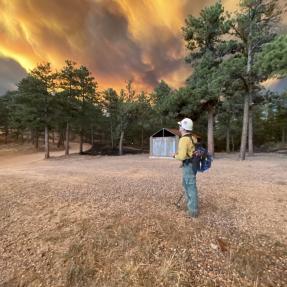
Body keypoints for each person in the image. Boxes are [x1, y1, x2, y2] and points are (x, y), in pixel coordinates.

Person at [173, 118, 199, 217]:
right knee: (188, 185)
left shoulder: (184, 139)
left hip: (189, 166)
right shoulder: (193, 137)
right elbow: (191, 153)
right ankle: (190, 206)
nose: (179, 128)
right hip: (192, 165)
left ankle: (192, 212)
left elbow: (182, 156)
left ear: (183, 128)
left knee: (190, 187)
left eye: (180, 126)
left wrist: (174, 156)